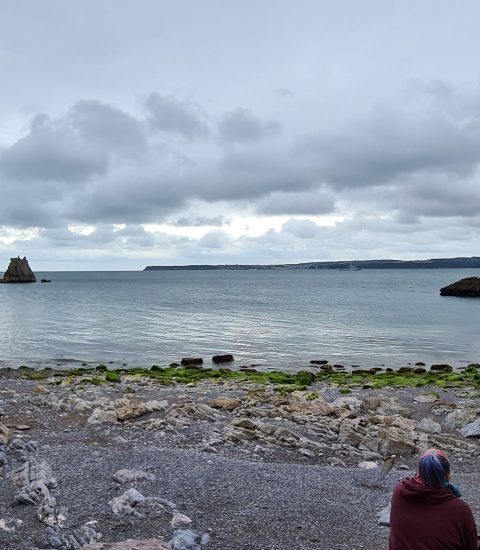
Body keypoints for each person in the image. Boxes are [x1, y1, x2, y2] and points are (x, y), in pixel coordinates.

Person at [389, 448, 479, 550]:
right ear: (448, 475)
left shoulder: (401, 490)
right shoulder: (460, 510)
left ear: (419, 473)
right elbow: (471, 546)